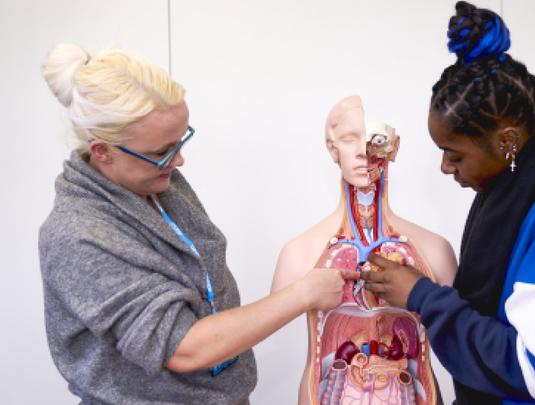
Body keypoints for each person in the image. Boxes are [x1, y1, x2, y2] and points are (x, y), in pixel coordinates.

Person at [38, 43, 357, 404]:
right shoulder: (78, 236)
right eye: (162, 152)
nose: (179, 161)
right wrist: (303, 294)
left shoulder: (158, 182)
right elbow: (183, 348)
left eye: (180, 140)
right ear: (102, 152)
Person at [361, 2, 535, 404]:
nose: (445, 167)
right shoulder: (512, 190)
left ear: (506, 142)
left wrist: (423, 296)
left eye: (454, 153)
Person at [271, 95, 456, 404]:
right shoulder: (299, 253)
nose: (363, 152)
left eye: (375, 139)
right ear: (332, 149)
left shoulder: (434, 250)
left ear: (394, 146)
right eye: (349, 139)